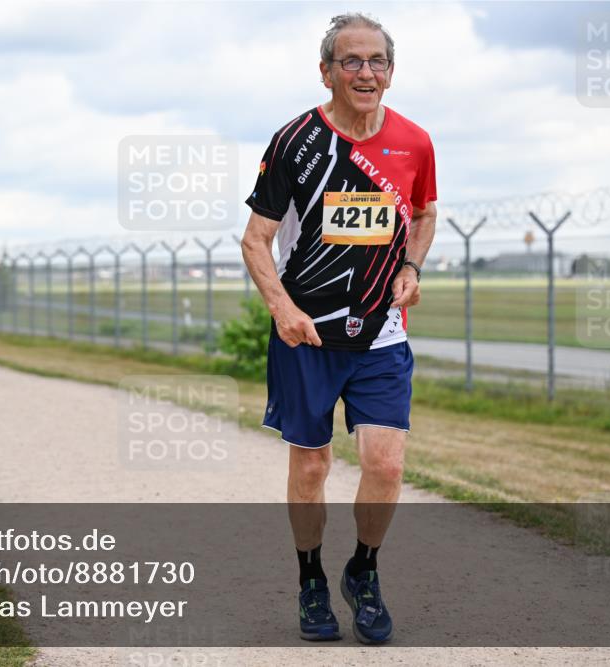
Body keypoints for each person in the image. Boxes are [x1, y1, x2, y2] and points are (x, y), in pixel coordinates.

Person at [240, 12, 437, 645]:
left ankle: (364, 570)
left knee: (385, 464)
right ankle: (310, 580)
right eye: (350, 61)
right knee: (312, 468)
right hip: (310, 338)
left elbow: (426, 214)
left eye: (376, 61)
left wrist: (409, 264)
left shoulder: (415, 143)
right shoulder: (295, 141)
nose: (365, 72)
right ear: (325, 71)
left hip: (381, 336)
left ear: (391, 71)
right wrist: (284, 311)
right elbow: (256, 241)